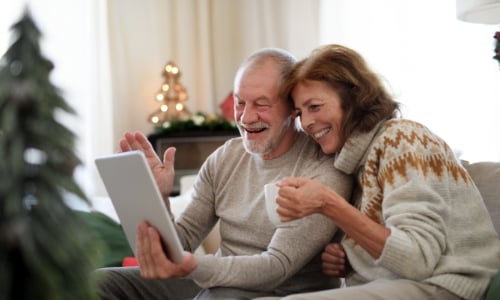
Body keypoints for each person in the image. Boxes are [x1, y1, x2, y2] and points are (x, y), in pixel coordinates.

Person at [95, 48, 353, 299]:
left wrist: (196, 267)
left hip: (278, 290)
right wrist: (158, 198)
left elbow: (276, 267)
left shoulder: (323, 170)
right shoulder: (225, 157)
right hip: (218, 282)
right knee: (100, 282)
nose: (246, 117)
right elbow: (181, 243)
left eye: (261, 104)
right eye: (240, 102)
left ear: (292, 108)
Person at [260, 44, 500, 300]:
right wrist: (352, 261)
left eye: (315, 106)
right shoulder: (353, 162)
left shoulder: (403, 138)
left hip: (453, 286)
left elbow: (417, 259)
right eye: (299, 113)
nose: (306, 122)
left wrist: (328, 204)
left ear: (354, 97)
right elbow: (392, 248)